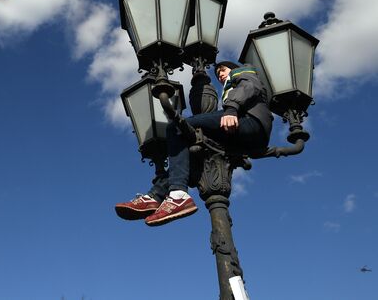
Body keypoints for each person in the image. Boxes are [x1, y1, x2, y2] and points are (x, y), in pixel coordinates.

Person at [115, 61, 273, 226]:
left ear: (233, 69)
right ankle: (155, 196)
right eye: (217, 72)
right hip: (244, 139)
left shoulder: (242, 72)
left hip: (251, 122)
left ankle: (177, 195)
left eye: (223, 70)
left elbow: (250, 87)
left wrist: (231, 109)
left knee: (178, 128)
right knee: (188, 154)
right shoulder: (230, 87)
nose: (219, 74)